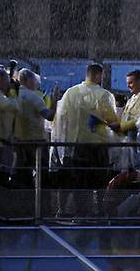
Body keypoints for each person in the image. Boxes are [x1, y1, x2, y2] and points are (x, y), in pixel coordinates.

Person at [51, 63, 119, 216]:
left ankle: (81, 215)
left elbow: (60, 119)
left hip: (76, 146)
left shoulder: (70, 93)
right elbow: (113, 122)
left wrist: (61, 145)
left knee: (80, 183)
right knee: (100, 183)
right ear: (99, 76)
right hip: (98, 147)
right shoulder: (104, 95)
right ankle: (100, 215)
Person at [14, 69, 59, 187]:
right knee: (41, 172)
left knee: (22, 173)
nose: (37, 84)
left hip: (19, 140)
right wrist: (54, 101)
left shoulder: (15, 95)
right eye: (35, 80)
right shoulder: (33, 97)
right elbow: (49, 116)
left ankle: (23, 198)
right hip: (36, 140)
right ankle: (40, 200)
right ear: (28, 80)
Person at [115, 70, 140, 170]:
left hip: (138, 139)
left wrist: (121, 126)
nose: (128, 86)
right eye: (127, 83)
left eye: (131, 83)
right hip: (129, 138)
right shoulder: (133, 97)